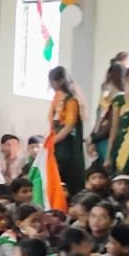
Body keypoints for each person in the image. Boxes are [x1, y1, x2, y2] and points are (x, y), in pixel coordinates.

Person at [45, 65, 86, 197]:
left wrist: (52, 141)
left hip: (68, 146)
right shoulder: (57, 98)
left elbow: (69, 126)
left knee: (69, 176)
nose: (51, 85)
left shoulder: (71, 100)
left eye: (53, 81)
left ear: (61, 80)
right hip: (57, 143)